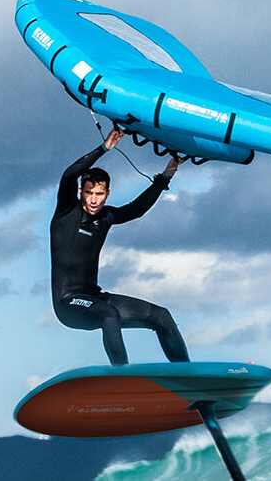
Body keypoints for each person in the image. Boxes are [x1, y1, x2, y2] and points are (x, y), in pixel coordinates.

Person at [50, 127, 190, 366]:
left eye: (100, 194)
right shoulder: (67, 212)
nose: (94, 199)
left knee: (161, 316)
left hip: (95, 298)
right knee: (109, 314)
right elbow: (67, 175)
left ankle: (191, 383)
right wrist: (104, 149)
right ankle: (121, 375)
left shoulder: (106, 217)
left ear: (107, 194)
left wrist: (165, 177)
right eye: (90, 193)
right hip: (69, 303)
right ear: (80, 192)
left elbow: (136, 209)